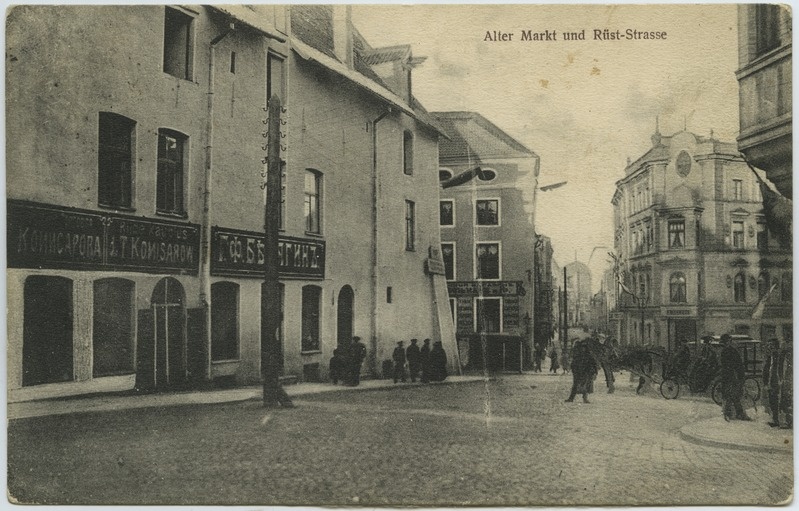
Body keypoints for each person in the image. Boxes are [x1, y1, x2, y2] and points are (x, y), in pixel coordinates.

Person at [719, 333, 751, 421]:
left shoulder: (725, 351)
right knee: (734, 395)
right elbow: (737, 365)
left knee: (731, 395)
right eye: (728, 341)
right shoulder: (730, 351)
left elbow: (735, 364)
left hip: (729, 376)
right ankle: (737, 414)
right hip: (733, 376)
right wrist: (740, 376)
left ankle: (730, 413)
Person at [763, 338, 781, 427]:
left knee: (776, 401)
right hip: (770, 382)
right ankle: (775, 420)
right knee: (772, 401)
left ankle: (778, 420)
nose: (770, 347)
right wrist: (766, 383)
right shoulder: (770, 357)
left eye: (772, 345)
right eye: (769, 345)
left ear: (776, 346)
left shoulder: (779, 357)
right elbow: (766, 370)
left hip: (777, 382)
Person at [778, 335, 793, 429]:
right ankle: (788, 421)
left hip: (789, 378)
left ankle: (789, 421)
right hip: (787, 378)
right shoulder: (784, 355)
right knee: (787, 400)